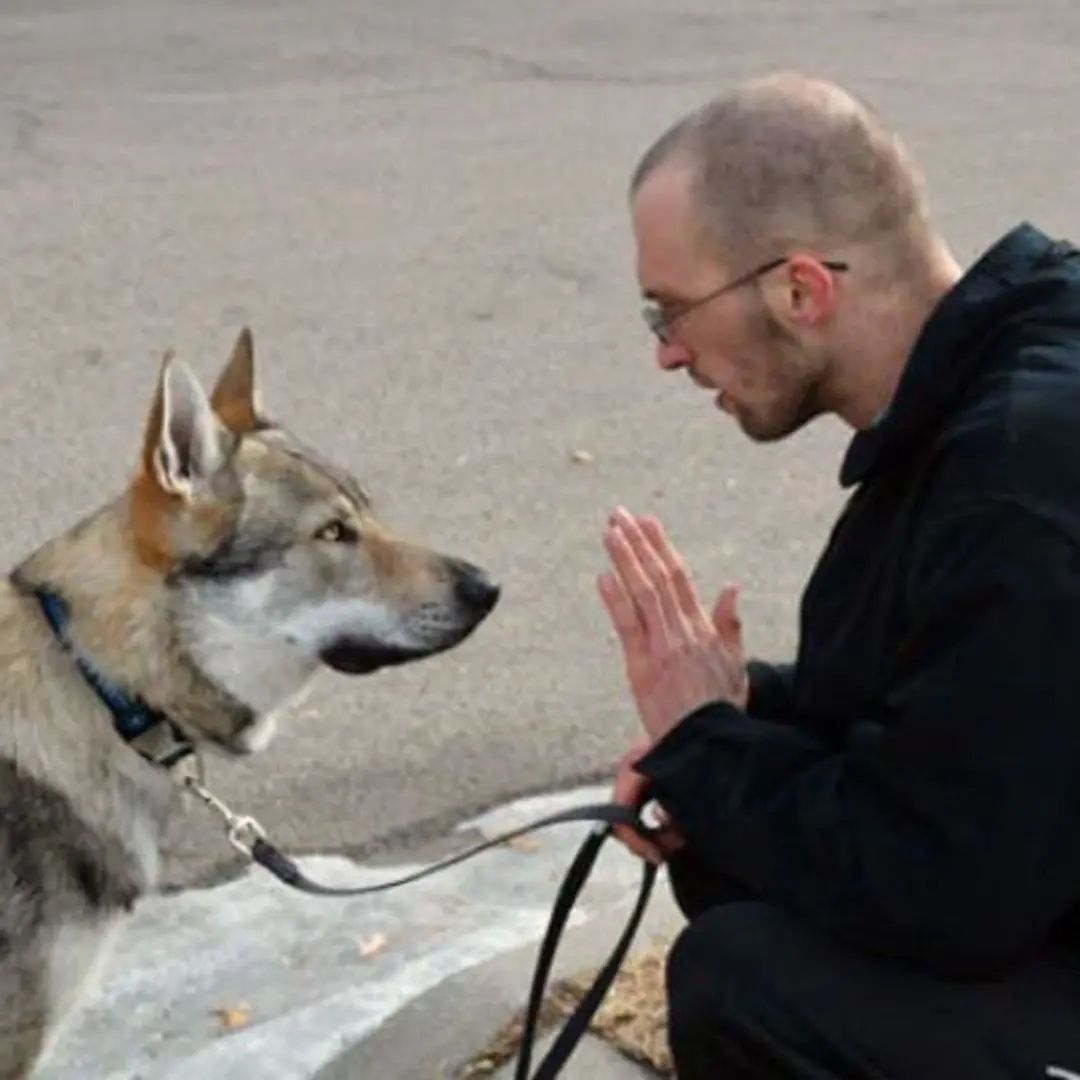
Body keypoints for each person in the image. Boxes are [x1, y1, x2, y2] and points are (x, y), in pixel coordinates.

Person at [596, 71, 1080, 1078]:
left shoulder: (1017, 481)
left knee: (747, 983)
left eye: (671, 313)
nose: (669, 355)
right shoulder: (1000, 378)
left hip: (1013, 904)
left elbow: (952, 894)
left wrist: (715, 750)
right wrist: (737, 719)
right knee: (730, 847)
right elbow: (954, 721)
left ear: (801, 291)